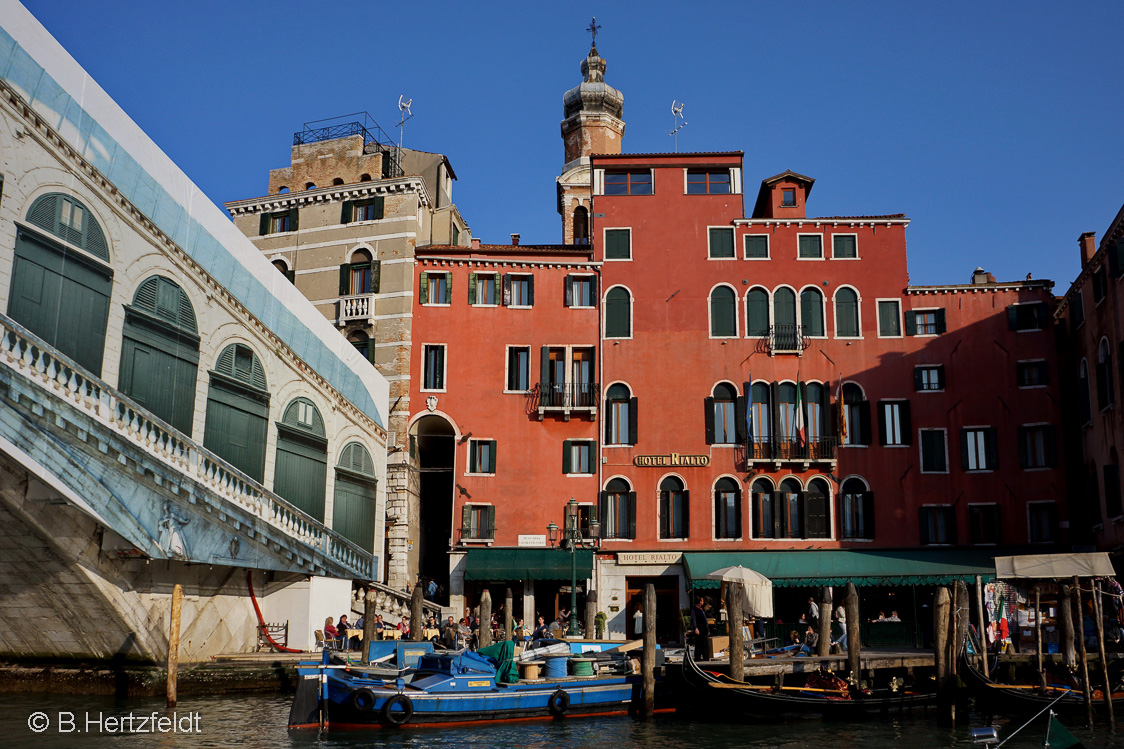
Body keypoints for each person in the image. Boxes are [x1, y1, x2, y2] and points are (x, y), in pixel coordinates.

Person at [691, 596, 711, 661]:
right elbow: (693, 619)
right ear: (699, 602)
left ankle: (706, 658)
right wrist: (695, 628)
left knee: (706, 645)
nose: (703, 602)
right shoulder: (694, 610)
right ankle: (697, 658)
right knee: (699, 645)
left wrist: (707, 629)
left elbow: (705, 619)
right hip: (699, 630)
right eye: (702, 601)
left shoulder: (701, 609)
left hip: (704, 630)